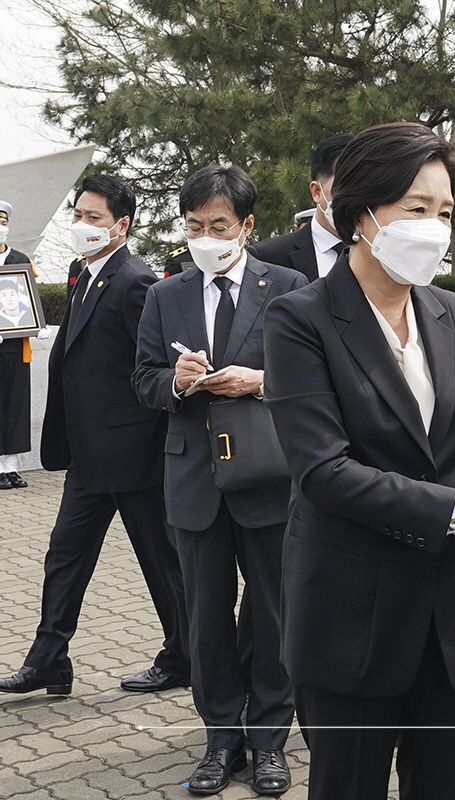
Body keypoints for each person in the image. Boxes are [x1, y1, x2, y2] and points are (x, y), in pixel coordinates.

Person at [262, 122, 455, 800]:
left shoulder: (453, 314)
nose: (434, 226)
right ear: (361, 212)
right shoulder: (300, 319)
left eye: (446, 212)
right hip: (350, 620)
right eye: (416, 209)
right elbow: (322, 470)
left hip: (449, 617)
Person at [133, 165, 307, 796]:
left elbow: (315, 378)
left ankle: (268, 740)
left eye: (219, 225)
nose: (206, 237)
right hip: (194, 480)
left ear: (247, 226)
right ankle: (219, 738)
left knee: (273, 613)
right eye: (194, 226)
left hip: (266, 474)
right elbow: (144, 379)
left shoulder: (287, 287)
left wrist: (259, 381)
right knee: (205, 618)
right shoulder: (165, 293)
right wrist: (176, 380)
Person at [0, 175, 190, 697]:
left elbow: (157, 368)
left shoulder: (137, 282)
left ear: (121, 225)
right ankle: (49, 661)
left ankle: (186, 654)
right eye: (77, 215)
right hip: (89, 456)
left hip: (135, 457)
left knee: (163, 563)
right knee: (65, 555)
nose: (81, 225)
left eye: (93, 218)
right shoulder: (82, 273)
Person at [248, 133, 353, 281]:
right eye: (345, 188)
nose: (356, 199)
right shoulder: (266, 258)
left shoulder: (383, 254)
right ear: (317, 191)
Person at [0, 200, 47, 490]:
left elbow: (30, 298)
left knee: (15, 406)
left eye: (3, 223)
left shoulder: (21, 259)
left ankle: (10, 467)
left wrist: (38, 325)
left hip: (17, 346)